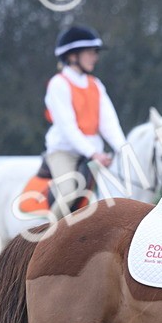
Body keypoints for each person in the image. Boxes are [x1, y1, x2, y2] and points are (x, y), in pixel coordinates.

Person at [43, 25, 129, 219]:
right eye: (90, 53)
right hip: (65, 152)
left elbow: (109, 125)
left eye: (95, 53)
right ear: (73, 56)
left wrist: (124, 149)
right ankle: (47, 239)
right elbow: (68, 129)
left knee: (117, 193)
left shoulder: (96, 84)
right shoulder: (59, 84)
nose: (95, 57)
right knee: (69, 192)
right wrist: (94, 153)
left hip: (94, 155)